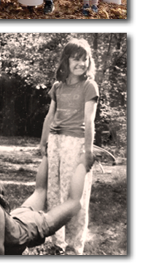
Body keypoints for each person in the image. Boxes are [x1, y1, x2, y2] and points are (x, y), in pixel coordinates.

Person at [0, 154, 92, 255]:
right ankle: (47, 154)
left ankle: (84, 163)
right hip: (16, 219)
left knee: (74, 203)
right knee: (39, 191)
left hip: (29, 227)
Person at [39, 38, 99, 255]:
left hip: (76, 143)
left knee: (74, 194)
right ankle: (57, 243)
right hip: (55, 142)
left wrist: (89, 150)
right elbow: (50, 115)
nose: (81, 63)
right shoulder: (57, 86)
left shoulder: (89, 86)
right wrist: (43, 142)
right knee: (54, 192)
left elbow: (89, 120)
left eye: (85, 59)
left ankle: (74, 247)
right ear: (66, 61)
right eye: (76, 59)